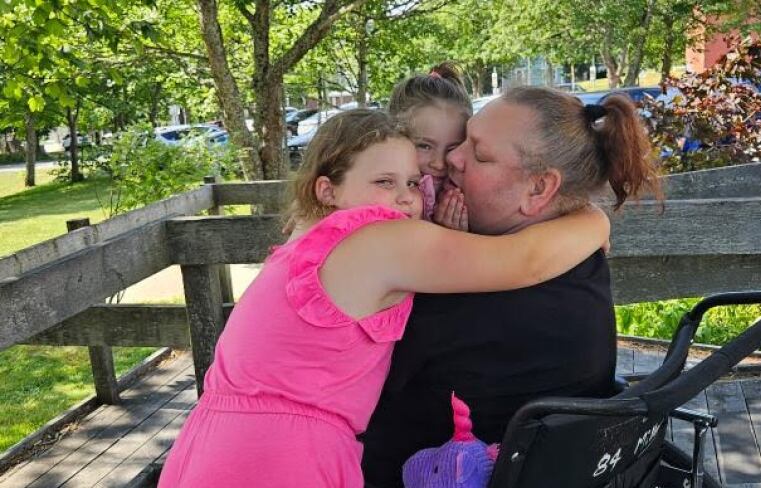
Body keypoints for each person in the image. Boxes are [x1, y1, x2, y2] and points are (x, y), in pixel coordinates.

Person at [157, 109, 609, 488]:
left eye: (413, 183)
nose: (403, 198)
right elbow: (524, 260)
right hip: (278, 451)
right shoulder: (379, 238)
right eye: (383, 181)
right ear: (327, 189)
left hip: (227, 437)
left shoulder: (315, 236)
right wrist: (594, 221)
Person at [361, 87, 662, 487]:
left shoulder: (459, 296)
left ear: (539, 190)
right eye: (465, 138)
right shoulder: (576, 257)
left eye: (479, 154)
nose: (452, 158)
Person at [388, 62, 471, 229]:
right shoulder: (380, 192)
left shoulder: (466, 196)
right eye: (425, 146)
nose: (439, 164)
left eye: (452, 148)